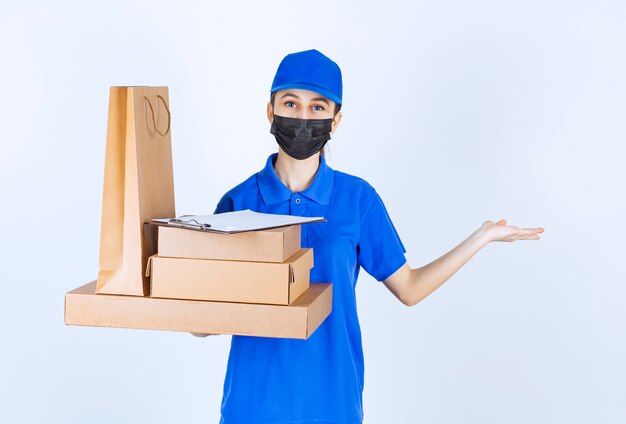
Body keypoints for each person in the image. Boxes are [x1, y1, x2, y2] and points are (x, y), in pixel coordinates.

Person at [194, 49, 545, 424]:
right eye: (291, 103)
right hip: (252, 406)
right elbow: (205, 322)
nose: (302, 115)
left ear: (336, 119)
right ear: (270, 111)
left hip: (333, 405)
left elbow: (409, 288)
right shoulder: (238, 203)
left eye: (318, 107)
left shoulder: (357, 200)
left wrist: (482, 237)